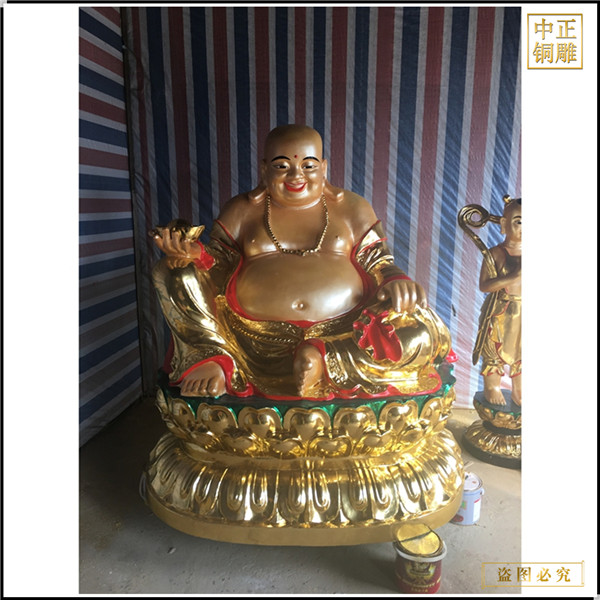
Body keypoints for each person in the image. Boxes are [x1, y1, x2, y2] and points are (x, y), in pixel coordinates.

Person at [151, 124, 452, 400]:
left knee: (420, 333)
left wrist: (395, 279)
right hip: (250, 339)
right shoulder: (242, 210)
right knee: (173, 273)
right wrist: (196, 256)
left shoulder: (352, 207)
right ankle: (214, 358)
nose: (296, 176)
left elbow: (379, 260)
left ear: (324, 168)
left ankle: (324, 357)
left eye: (308, 166)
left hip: (347, 331)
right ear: (264, 169)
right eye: (282, 166)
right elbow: (219, 265)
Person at [473, 197, 521, 406]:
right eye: (519, 221)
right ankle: (492, 386)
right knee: (493, 352)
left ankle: (519, 390)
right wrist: (512, 277)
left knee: (523, 354)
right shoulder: (495, 253)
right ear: (504, 223)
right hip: (500, 310)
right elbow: (484, 285)